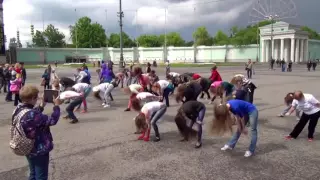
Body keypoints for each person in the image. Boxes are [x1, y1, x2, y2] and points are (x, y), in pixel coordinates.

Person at [11, 85, 61, 180]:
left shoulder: (18, 109)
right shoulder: (32, 114)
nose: (38, 98)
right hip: (39, 148)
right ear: (33, 98)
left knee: (33, 173)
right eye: (36, 97)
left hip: (27, 146)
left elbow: (31, 116)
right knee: (41, 176)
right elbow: (53, 120)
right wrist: (56, 106)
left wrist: (41, 106)